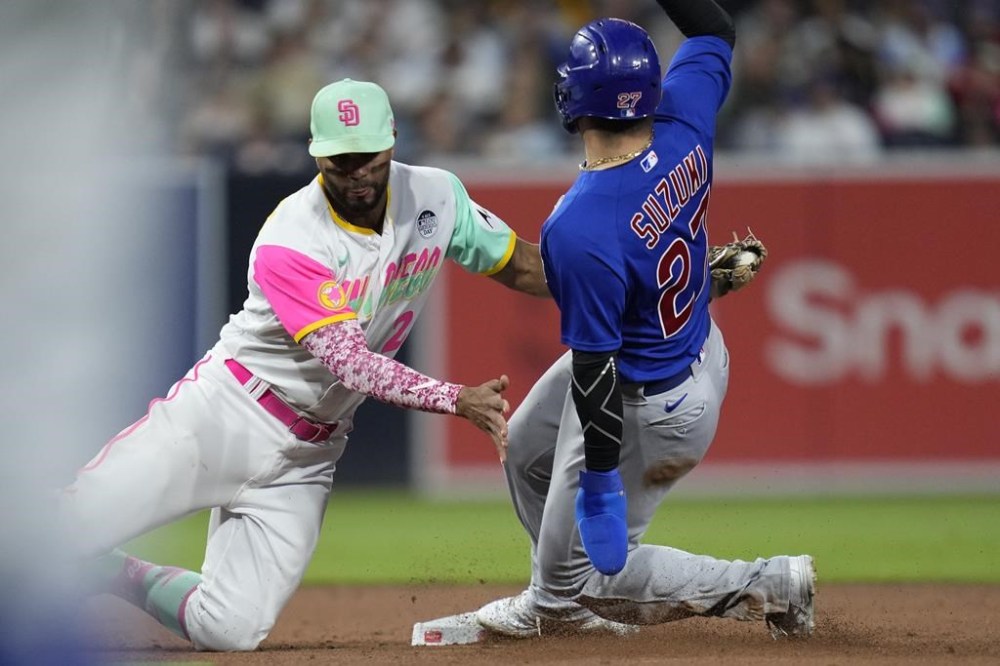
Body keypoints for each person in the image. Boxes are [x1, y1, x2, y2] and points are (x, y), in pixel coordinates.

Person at [58, 78, 549, 652]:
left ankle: (109, 574)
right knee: (63, 534)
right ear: (318, 157)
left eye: (367, 156)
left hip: (309, 455)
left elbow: (519, 264)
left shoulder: (438, 196)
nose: (357, 172)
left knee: (230, 630)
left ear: (392, 141)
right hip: (225, 415)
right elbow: (350, 364)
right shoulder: (293, 236)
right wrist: (454, 398)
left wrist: (604, 274)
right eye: (340, 161)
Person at [473, 0, 816, 639]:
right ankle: (561, 585)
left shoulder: (579, 226)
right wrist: (705, 282)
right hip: (690, 347)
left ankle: (769, 582)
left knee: (595, 575)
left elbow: (595, 376)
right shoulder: (684, 117)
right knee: (523, 447)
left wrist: (599, 487)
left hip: (644, 404)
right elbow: (714, 26)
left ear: (570, 98)